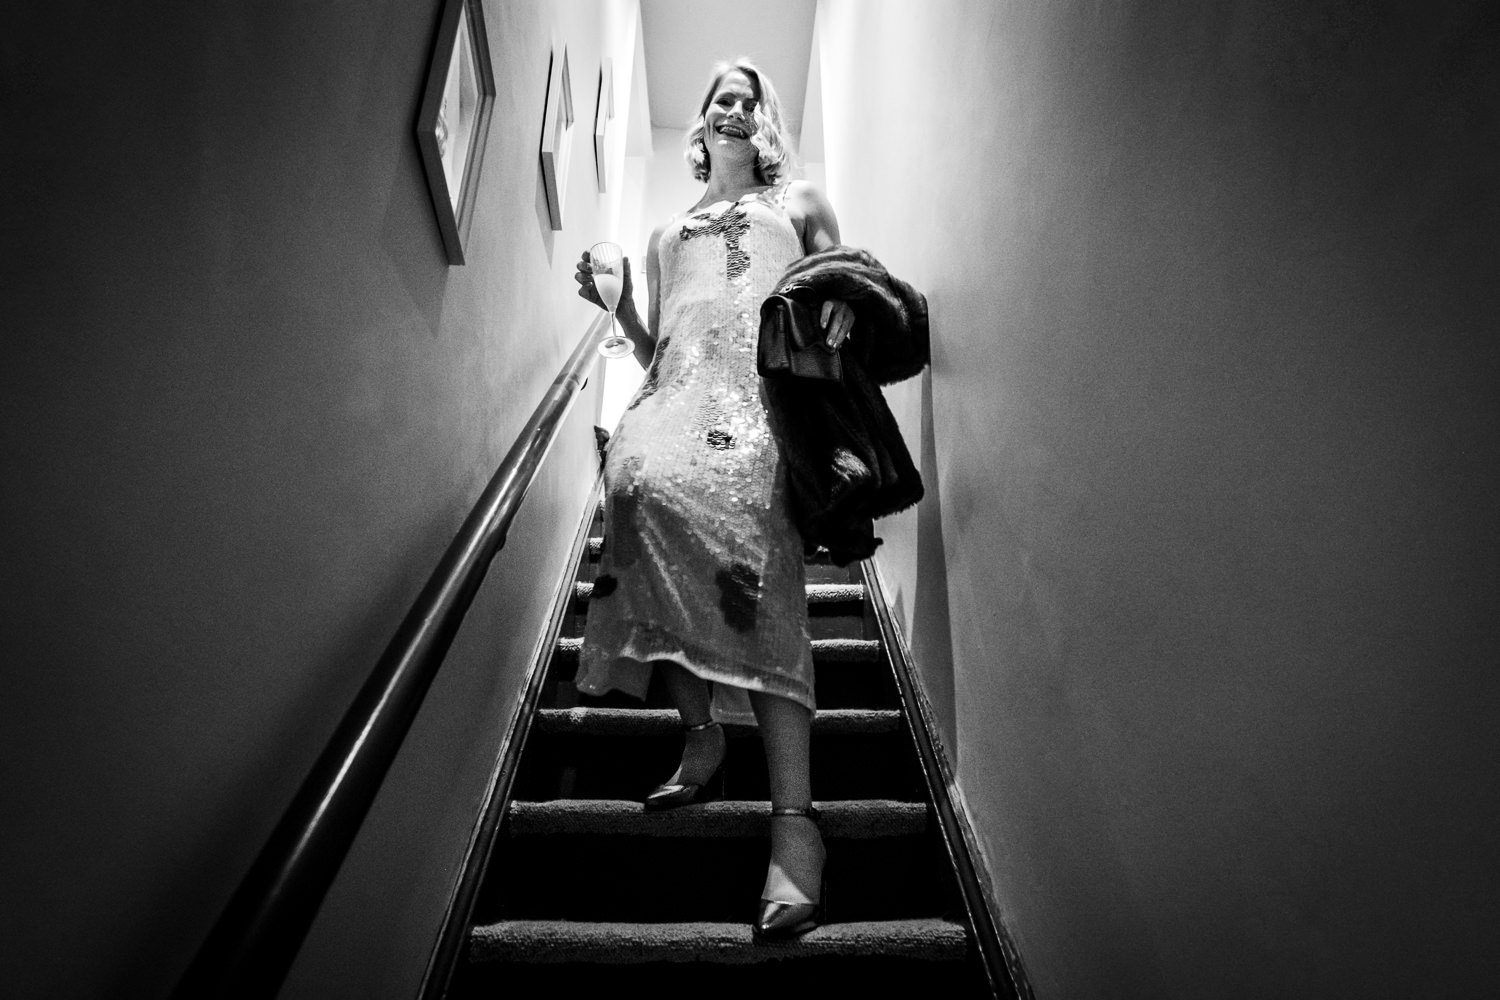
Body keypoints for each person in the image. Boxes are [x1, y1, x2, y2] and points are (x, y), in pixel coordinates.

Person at [572, 58, 853, 940]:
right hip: (673, 397)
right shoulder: (665, 232)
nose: (733, 107)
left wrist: (843, 306)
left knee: (760, 575)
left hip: (760, 403)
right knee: (636, 489)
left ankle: (794, 825)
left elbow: (840, 284)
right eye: (719, 98)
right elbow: (659, 341)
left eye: (749, 98)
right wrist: (617, 305)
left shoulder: (799, 202)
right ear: (701, 124)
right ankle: (700, 729)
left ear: (764, 121)